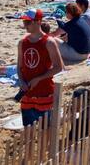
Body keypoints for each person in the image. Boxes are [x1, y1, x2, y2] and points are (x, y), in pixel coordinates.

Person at [16, 9, 64, 148]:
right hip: (27, 95)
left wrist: (39, 78)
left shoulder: (49, 42)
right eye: (24, 22)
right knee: (28, 134)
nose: (25, 25)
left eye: (28, 22)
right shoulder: (22, 42)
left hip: (44, 94)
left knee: (45, 133)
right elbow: (19, 66)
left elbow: (58, 67)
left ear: (38, 21)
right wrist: (21, 80)